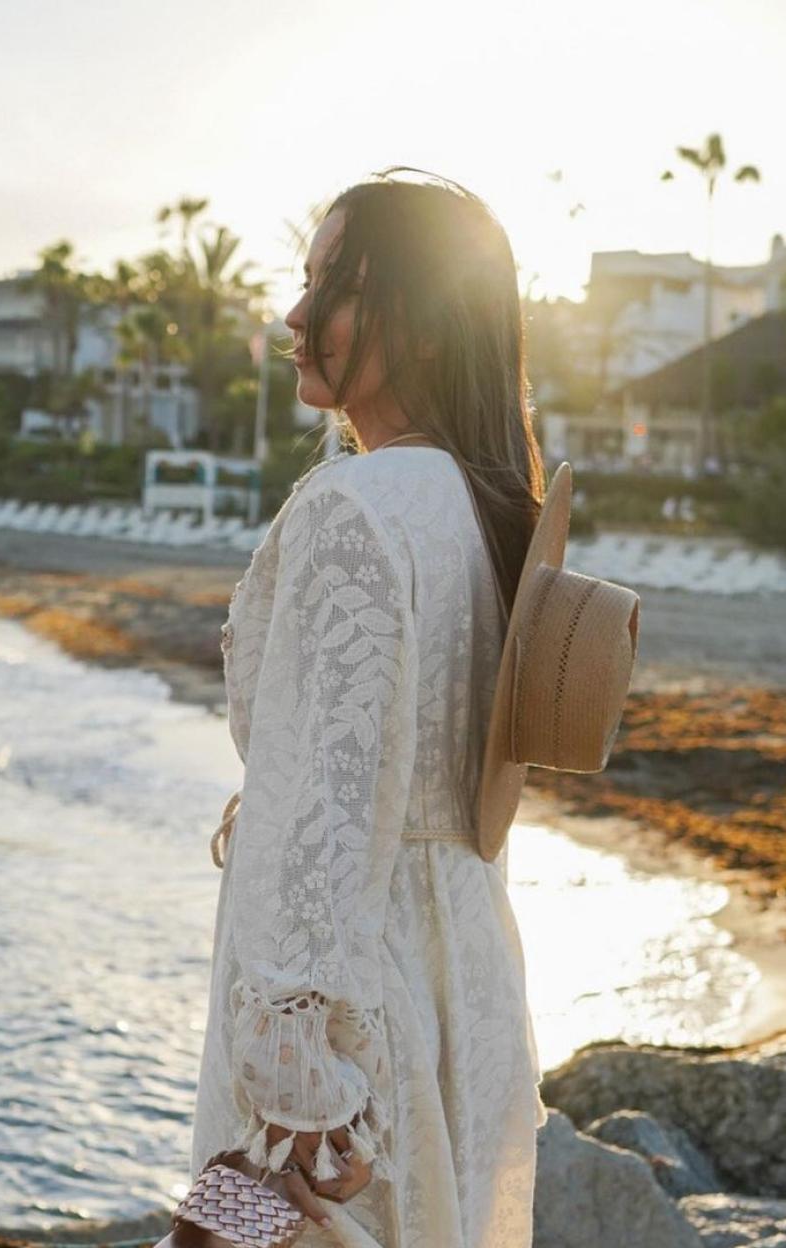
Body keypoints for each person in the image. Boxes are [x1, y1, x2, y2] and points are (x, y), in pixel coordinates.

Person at [188, 168, 548, 1247]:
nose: (296, 318)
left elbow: (323, 821)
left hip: (346, 1030)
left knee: (247, 1232)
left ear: (427, 328)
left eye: (332, 289)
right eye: (301, 284)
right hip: (461, 984)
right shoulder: (485, 509)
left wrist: (299, 1101)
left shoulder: (355, 507)